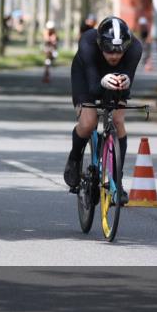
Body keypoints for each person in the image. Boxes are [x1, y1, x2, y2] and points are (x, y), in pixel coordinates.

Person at [63, 16, 143, 195]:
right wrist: (103, 82)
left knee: (117, 120)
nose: (114, 55)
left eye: (119, 51)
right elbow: (93, 87)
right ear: (100, 45)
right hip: (86, 75)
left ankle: (117, 181)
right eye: (109, 51)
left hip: (117, 76)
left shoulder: (135, 48)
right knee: (88, 123)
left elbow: (129, 78)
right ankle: (75, 157)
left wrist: (125, 81)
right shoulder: (87, 42)